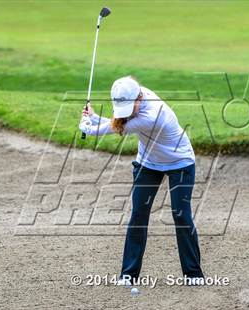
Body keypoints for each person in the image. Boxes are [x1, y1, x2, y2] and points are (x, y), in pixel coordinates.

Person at [79, 76, 204, 286]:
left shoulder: (153, 114)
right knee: (138, 214)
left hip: (180, 162)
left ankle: (194, 275)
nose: (127, 112)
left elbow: (116, 128)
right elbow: (117, 122)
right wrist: (94, 117)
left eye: (130, 107)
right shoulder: (134, 95)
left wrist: (88, 126)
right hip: (148, 163)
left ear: (139, 99)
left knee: (181, 215)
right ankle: (128, 275)